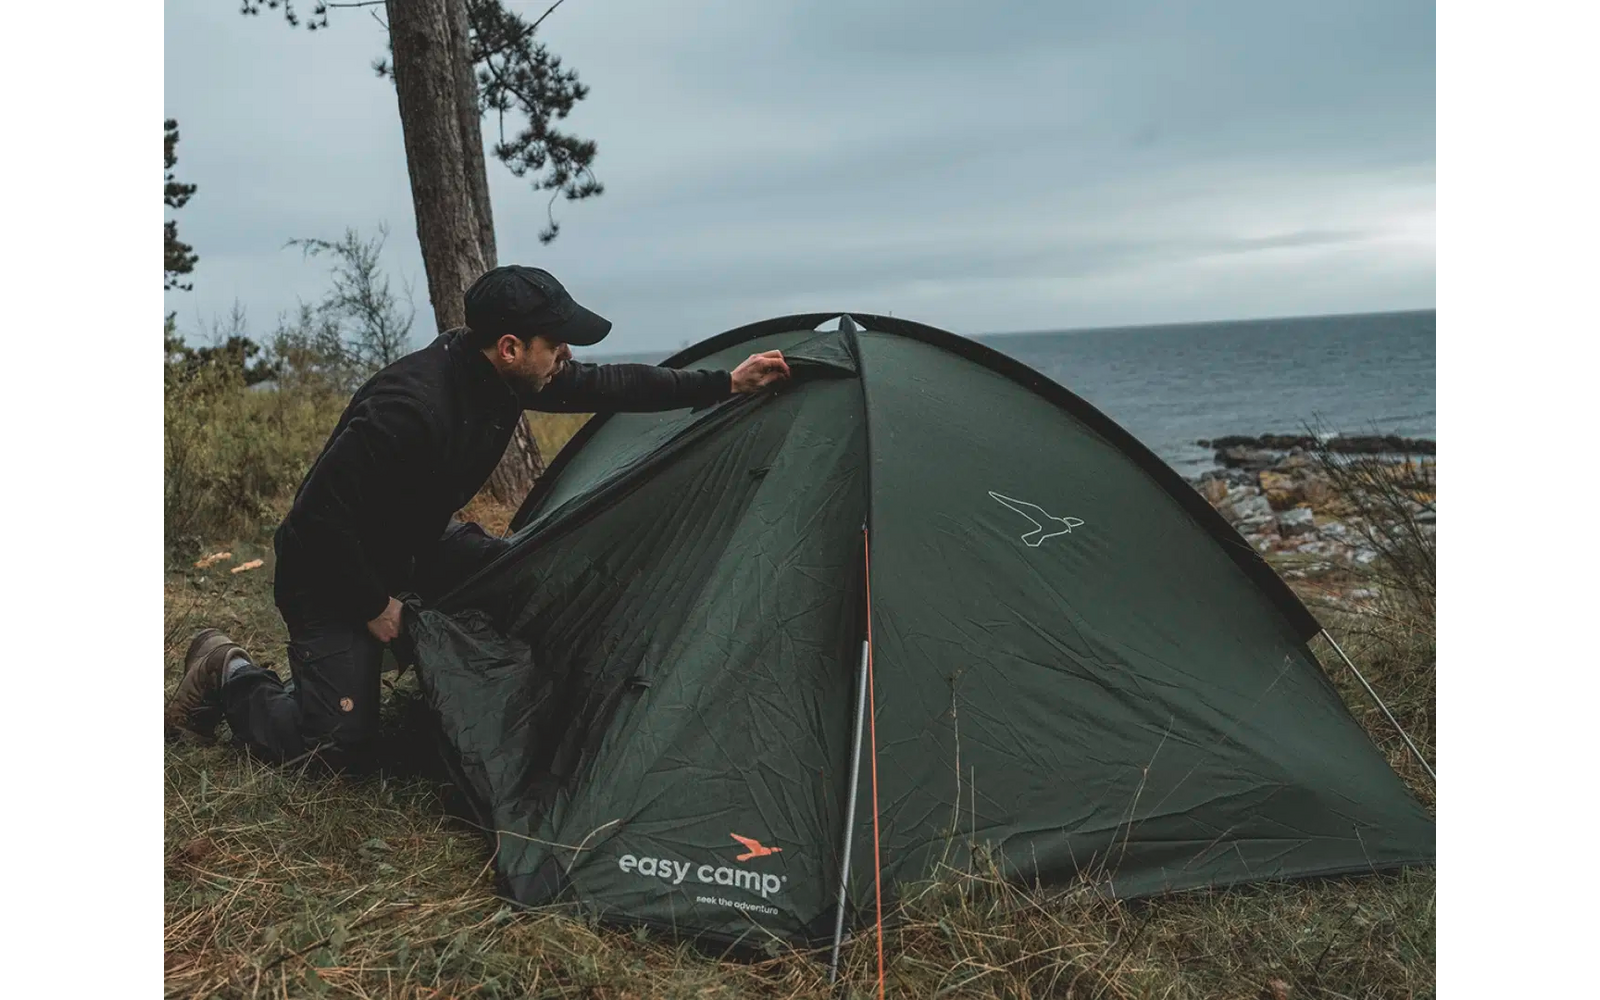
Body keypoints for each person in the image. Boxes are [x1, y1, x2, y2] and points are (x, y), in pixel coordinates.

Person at [165, 265, 791, 770]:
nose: (566, 354)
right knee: (334, 747)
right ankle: (230, 671)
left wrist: (723, 385)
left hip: (414, 544)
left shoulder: (509, 379)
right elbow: (316, 521)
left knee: (532, 574)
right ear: (512, 346)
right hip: (332, 573)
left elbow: (613, 386)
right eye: (556, 344)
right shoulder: (409, 408)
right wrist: (373, 605)